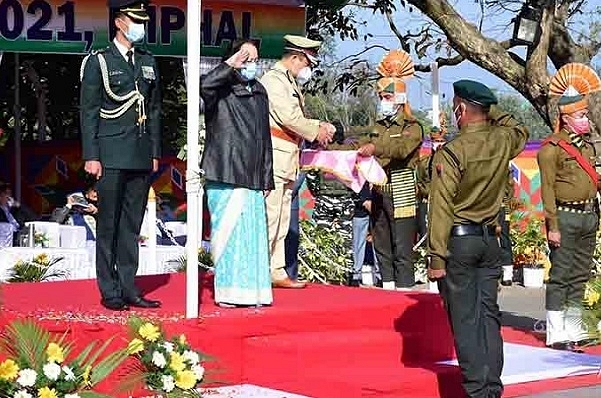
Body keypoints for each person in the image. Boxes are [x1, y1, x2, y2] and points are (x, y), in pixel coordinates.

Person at [427, 80, 528, 398]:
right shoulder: (503, 141)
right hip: (489, 240)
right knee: (488, 316)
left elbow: (441, 207)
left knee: (465, 320)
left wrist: (435, 257)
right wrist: (491, 110)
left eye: (455, 106)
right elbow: (519, 127)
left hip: (459, 242)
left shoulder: (453, 151)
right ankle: (491, 388)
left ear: (460, 109)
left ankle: (476, 390)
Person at [80, 0, 162, 311]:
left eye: (142, 20)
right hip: (110, 153)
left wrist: (155, 151)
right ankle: (110, 289)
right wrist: (92, 155)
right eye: (133, 19)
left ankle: (130, 287)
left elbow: (153, 110)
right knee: (109, 224)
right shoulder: (99, 61)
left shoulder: (147, 60)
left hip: (140, 154)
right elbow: (88, 112)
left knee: (132, 225)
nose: (139, 26)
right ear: (118, 22)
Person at [338, 50, 424, 291]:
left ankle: (404, 290)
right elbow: (359, 143)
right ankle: (387, 287)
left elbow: (401, 149)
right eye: (381, 96)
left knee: (402, 246)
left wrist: (375, 147)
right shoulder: (377, 125)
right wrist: (333, 147)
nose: (382, 100)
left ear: (398, 98)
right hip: (378, 187)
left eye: (386, 96)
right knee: (382, 243)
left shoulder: (413, 126)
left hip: (402, 185)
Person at [200, 39, 274, 308]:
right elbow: (204, 85)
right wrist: (231, 65)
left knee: (252, 238)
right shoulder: (220, 88)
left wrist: (267, 177)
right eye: (245, 57)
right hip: (227, 171)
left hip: (253, 175)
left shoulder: (260, 91)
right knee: (230, 236)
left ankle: (254, 292)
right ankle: (230, 292)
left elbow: (264, 137)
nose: (250, 64)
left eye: (254, 59)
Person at [260, 35, 336, 288]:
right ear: (295, 58)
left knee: (281, 217)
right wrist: (317, 129)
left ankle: (276, 269)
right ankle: (261, 269)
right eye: (307, 64)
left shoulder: (288, 81)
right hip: (276, 153)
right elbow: (289, 117)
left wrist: (318, 128)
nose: (308, 71)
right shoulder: (274, 80)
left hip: (288, 154)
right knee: (271, 216)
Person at [537, 64, 601, 351]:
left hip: (589, 215)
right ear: (565, 118)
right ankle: (555, 331)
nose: (585, 119)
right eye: (580, 115)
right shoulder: (550, 149)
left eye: (585, 114)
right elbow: (547, 190)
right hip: (565, 216)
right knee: (561, 275)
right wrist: (552, 226)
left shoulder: (588, 147)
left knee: (580, 274)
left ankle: (574, 328)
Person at [498, 167, 515, 287]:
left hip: (502, 207)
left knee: (504, 238)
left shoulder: (505, 169)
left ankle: (507, 274)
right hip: (486, 207)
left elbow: (510, 189)